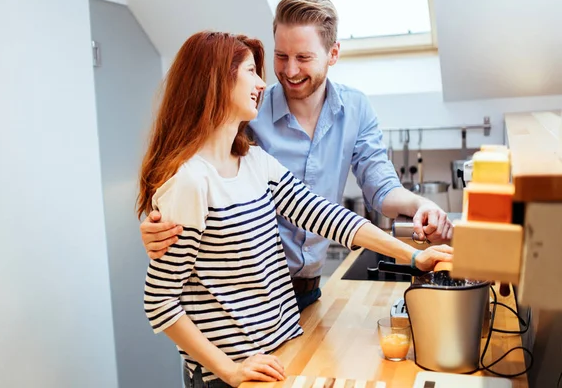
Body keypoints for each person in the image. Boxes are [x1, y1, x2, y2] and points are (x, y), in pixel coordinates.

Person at [138, 30, 452, 388]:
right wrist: (229, 370)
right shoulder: (192, 181)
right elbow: (160, 301)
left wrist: (413, 257)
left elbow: (326, 216)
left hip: (279, 360)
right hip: (231, 378)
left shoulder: (255, 162)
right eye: (250, 72)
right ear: (216, 83)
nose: (261, 82)